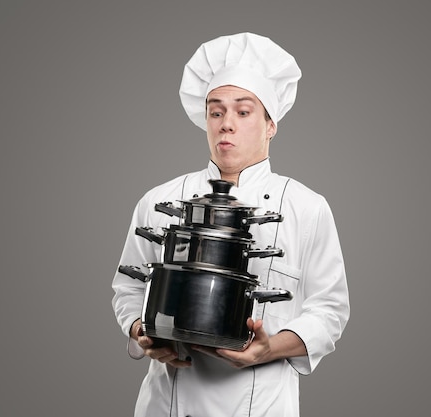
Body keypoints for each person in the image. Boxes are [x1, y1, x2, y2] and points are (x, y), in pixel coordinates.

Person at [112, 32, 350, 417]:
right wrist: (142, 331)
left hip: (262, 405)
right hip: (167, 404)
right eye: (216, 111)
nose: (226, 124)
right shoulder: (159, 201)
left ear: (270, 124)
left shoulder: (307, 207)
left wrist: (271, 347)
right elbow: (127, 289)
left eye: (243, 111)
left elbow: (330, 311)